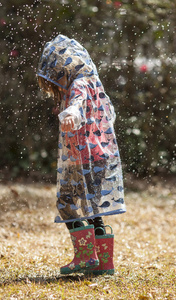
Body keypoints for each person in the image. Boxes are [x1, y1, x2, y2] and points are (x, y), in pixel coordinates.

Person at [37, 34, 126, 275]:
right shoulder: (95, 83)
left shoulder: (77, 84)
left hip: (82, 157)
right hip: (102, 156)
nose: (57, 83)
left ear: (64, 67)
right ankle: (104, 263)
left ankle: (86, 256)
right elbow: (110, 114)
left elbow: (76, 103)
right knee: (93, 209)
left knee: (65, 203)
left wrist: (72, 113)